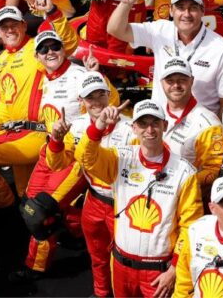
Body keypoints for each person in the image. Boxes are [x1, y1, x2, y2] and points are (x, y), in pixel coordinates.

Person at [9, 30, 118, 283]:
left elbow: (110, 101)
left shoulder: (81, 75)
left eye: (55, 46)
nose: (50, 52)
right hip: (52, 148)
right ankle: (76, 235)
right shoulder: (39, 78)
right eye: (44, 49)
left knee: (38, 212)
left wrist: (96, 74)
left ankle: (35, 267)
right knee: (29, 201)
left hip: (77, 155)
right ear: (36, 56)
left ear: (64, 48)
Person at [79, 99, 204, 297]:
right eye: (143, 123)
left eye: (155, 123)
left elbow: (191, 226)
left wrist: (174, 270)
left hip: (158, 272)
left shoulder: (184, 172)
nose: (150, 130)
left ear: (165, 125)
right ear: (134, 127)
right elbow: (87, 158)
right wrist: (99, 125)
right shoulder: (120, 157)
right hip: (121, 266)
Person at [0, 1, 78, 209]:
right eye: (4, 27)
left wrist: (53, 12)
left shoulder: (37, 48)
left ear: (24, 25)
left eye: (14, 24)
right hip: (17, 131)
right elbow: (7, 106)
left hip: (37, 132)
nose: (10, 30)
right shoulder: (3, 59)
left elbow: (68, 44)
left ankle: (1, 201)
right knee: (27, 196)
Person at [46, 72, 133, 297]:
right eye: (90, 97)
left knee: (122, 260)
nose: (97, 102)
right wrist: (55, 139)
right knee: (97, 256)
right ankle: (101, 292)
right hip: (94, 201)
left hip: (122, 206)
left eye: (100, 95)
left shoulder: (131, 128)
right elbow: (57, 164)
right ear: (81, 102)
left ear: (109, 95)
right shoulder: (76, 127)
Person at [109, 0, 223, 114]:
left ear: (202, 11)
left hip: (200, 132)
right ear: (171, 11)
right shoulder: (160, 30)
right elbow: (116, 30)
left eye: (193, 7)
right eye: (180, 7)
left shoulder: (222, 50)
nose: (187, 14)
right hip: (160, 128)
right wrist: (126, 4)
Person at [159, 57, 223, 198]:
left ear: (192, 80)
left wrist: (177, 182)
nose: (176, 85)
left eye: (182, 80)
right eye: (170, 81)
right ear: (161, 83)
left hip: (188, 201)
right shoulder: (155, 114)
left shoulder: (209, 124)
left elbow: (214, 171)